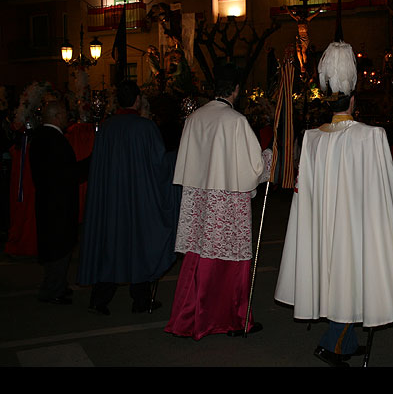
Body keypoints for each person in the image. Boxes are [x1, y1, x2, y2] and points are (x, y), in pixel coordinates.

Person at [274, 41, 393, 367]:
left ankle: (346, 340)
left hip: (324, 224)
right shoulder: (371, 136)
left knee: (341, 278)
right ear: (353, 98)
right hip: (358, 224)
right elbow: (384, 187)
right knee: (352, 278)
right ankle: (332, 344)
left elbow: (305, 190)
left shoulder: (312, 138)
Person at [165, 63, 272, 340]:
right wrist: (272, 155)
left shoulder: (195, 118)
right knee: (229, 262)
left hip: (200, 199)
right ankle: (234, 320)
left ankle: (188, 317)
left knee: (198, 257)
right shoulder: (235, 121)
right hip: (227, 201)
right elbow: (254, 169)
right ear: (236, 90)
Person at [76, 80, 180, 315]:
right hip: (137, 200)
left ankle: (99, 299)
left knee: (111, 244)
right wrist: (178, 157)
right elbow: (160, 166)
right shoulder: (145, 128)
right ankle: (141, 301)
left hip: (112, 201)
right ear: (136, 100)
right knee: (139, 245)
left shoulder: (106, 127)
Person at [29, 100, 90, 304]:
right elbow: (68, 173)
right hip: (59, 204)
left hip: (47, 201)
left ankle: (56, 285)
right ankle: (53, 290)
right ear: (56, 116)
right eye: (64, 113)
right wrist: (91, 162)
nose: (67, 116)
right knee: (60, 247)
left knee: (53, 245)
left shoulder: (38, 137)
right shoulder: (55, 139)